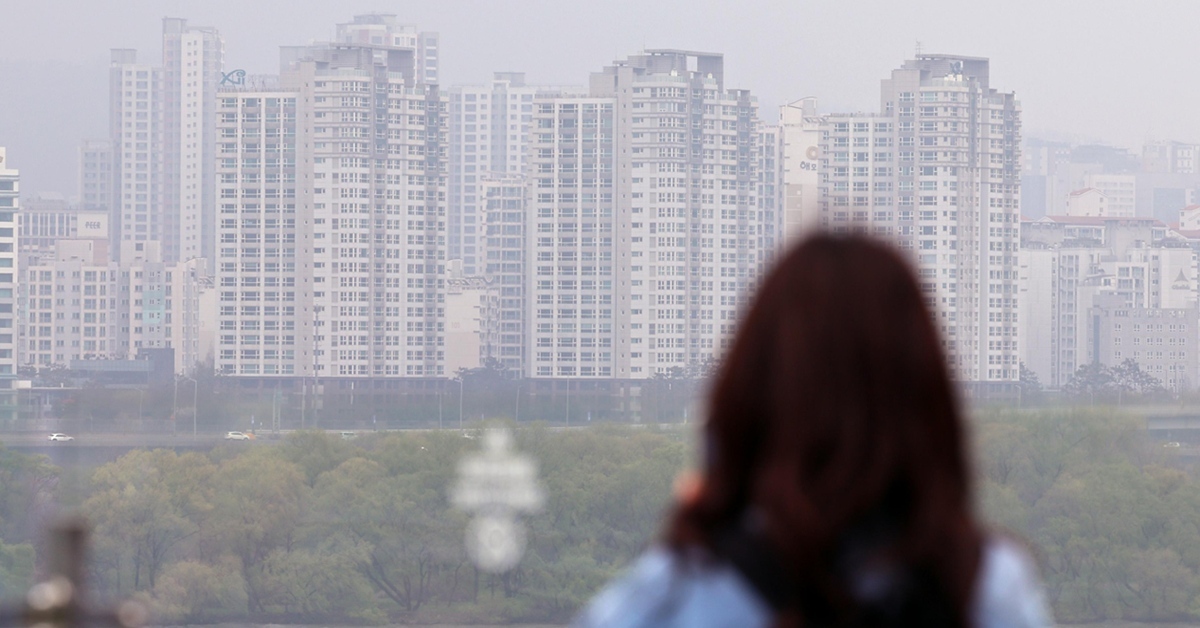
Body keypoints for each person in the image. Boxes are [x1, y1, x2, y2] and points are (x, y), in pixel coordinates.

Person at [576, 234, 1050, 627]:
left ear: (748, 395)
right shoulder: (987, 591)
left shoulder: (679, 595)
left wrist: (702, 522)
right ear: (927, 401)